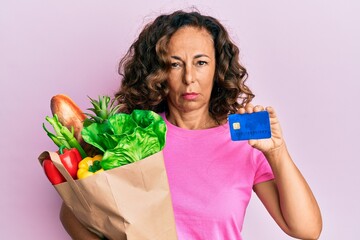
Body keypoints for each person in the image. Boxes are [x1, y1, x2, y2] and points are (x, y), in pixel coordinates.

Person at [60, 9, 322, 239]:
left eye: (201, 62)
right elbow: (73, 212)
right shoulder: (132, 136)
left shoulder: (244, 140)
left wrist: (276, 152)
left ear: (218, 69)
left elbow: (306, 230)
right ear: (158, 72)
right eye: (175, 64)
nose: (189, 78)